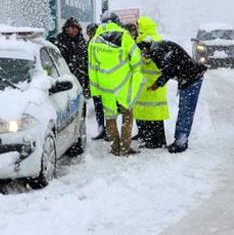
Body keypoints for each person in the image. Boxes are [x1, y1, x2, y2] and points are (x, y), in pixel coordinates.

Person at [88, 13, 144, 156]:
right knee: (127, 116)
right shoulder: (125, 36)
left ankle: (115, 147)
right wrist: (136, 74)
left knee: (110, 117)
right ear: (116, 22)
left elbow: (92, 68)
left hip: (105, 85)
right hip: (123, 83)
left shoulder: (94, 41)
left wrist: (95, 91)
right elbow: (136, 58)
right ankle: (125, 148)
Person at [141, 39, 206, 153]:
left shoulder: (158, 50)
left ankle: (181, 143)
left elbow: (169, 69)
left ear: (146, 48)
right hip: (188, 78)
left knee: (186, 112)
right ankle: (179, 140)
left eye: (143, 52)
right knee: (183, 110)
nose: (143, 56)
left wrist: (157, 84)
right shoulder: (159, 47)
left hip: (192, 78)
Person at [50, 17, 99, 137]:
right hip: (63, 80)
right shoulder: (58, 41)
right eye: (70, 27)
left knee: (78, 109)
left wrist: (87, 84)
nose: (72, 30)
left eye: (75, 28)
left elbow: (87, 64)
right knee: (63, 107)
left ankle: (77, 133)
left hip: (78, 82)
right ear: (65, 29)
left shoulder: (82, 43)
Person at [132, 16, 169, 148]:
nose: (137, 30)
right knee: (144, 110)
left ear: (144, 28)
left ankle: (156, 140)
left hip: (153, 82)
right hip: (146, 82)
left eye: (139, 27)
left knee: (153, 112)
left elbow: (147, 59)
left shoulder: (150, 40)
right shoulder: (146, 39)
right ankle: (144, 134)